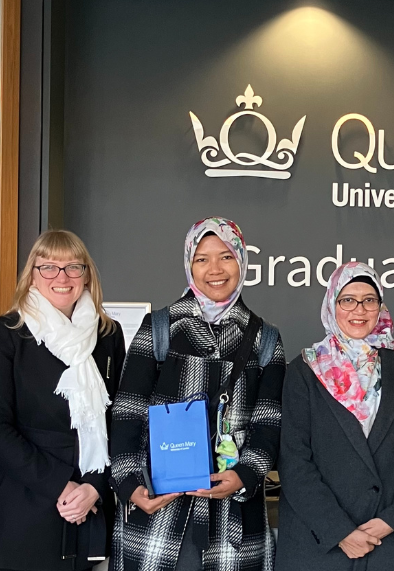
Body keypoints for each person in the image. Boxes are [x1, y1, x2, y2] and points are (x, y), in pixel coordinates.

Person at [110, 217, 285, 571]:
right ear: (189, 264)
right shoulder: (159, 327)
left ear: (241, 261)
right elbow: (127, 412)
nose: (214, 269)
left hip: (233, 512)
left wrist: (246, 476)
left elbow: (270, 423)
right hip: (158, 507)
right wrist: (129, 486)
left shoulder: (266, 339)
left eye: (225, 256)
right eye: (202, 259)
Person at [0, 230, 124, 571]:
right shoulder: (4, 333)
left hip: (87, 508)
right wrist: (60, 484)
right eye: (49, 267)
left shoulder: (108, 335)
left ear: (87, 276)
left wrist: (94, 487)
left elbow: (118, 420)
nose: (62, 277)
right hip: (19, 511)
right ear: (32, 275)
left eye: (73, 267)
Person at [277, 262, 394, 571]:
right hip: (318, 543)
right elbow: (294, 462)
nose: (359, 309)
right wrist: (339, 531)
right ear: (332, 304)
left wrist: (393, 519)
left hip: (382, 541)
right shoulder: (304, 370)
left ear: (380, 306)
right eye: (348, 299)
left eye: (369, 299)